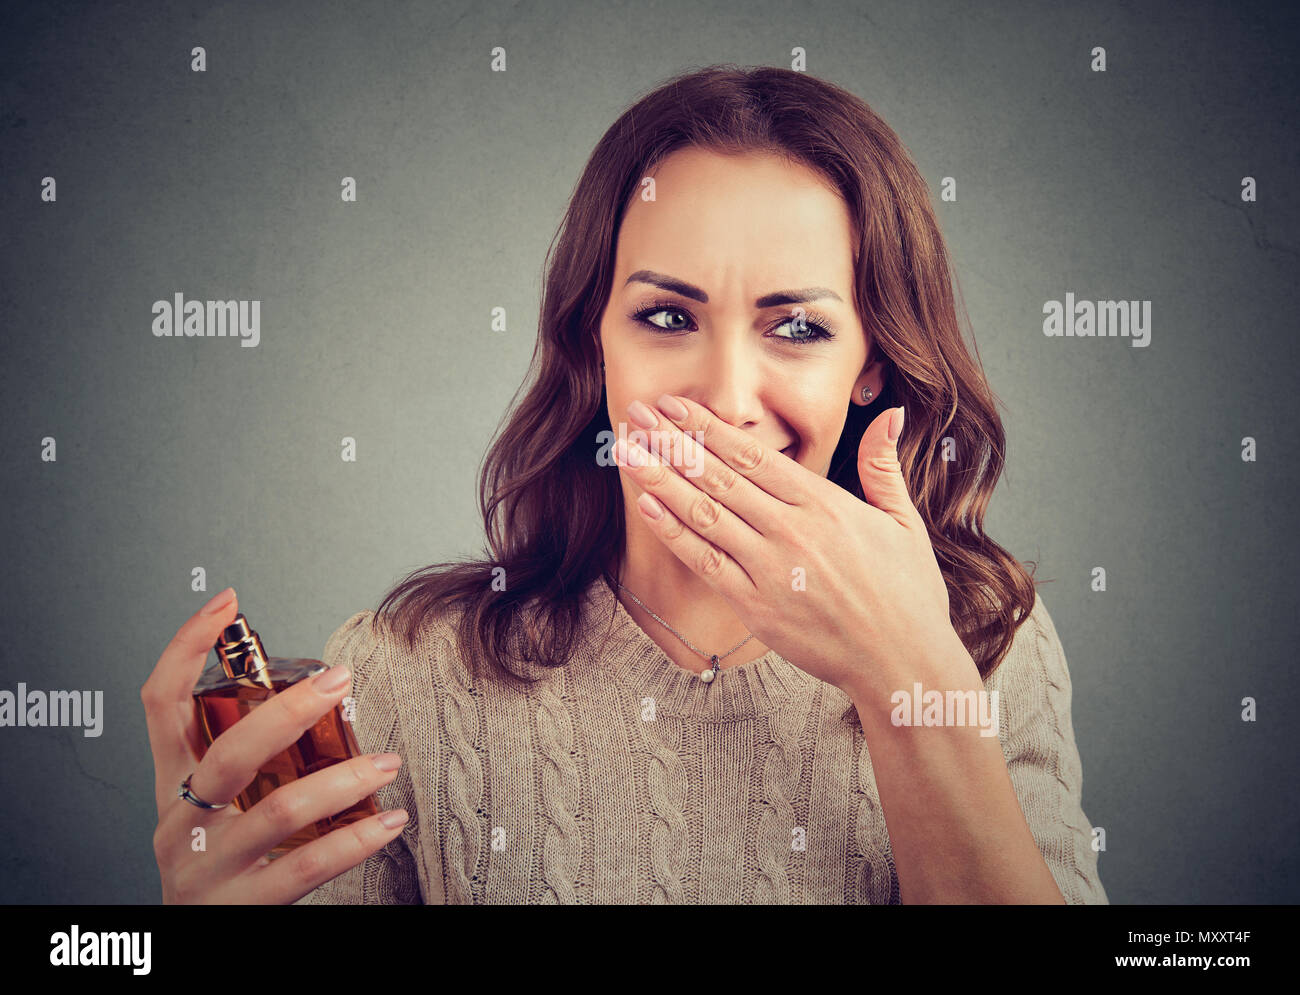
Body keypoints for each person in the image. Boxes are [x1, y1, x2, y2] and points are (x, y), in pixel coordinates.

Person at [144, 64, 1108, 904]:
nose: (727, 401)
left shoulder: (988, 643)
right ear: (592, 341)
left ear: (870, 365)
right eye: (666, 317)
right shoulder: (405, 673)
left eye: (798, 327)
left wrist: (907, 675)